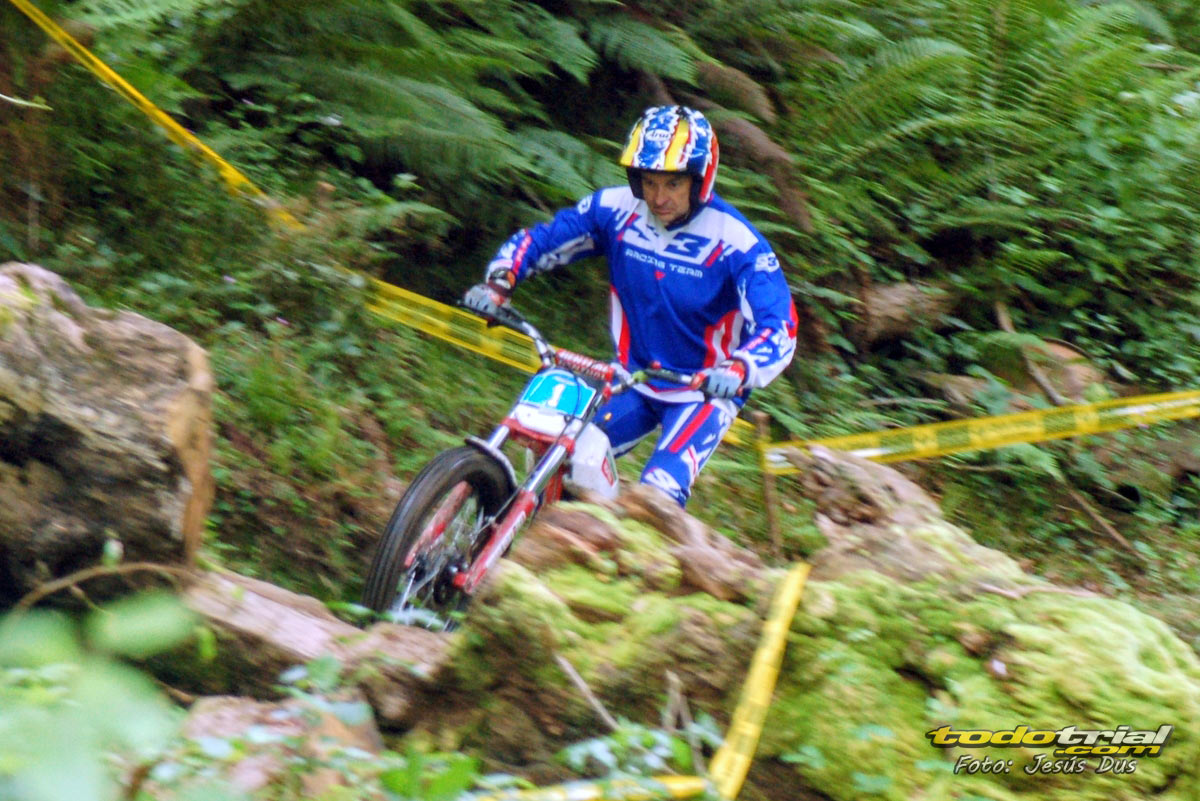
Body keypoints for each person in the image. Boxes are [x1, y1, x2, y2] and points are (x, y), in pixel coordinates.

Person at [464, 105, 797, 507]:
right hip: (632, 377)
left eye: (673, 184)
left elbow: (779, 326)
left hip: (703, 391)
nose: (658, 197)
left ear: (700, 179)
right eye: (648, 182)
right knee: (564, 462)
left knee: (657, 496)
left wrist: (740, 368)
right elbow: (544, 239)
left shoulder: (738, 242)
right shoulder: (615, 210)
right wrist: (499, 282)